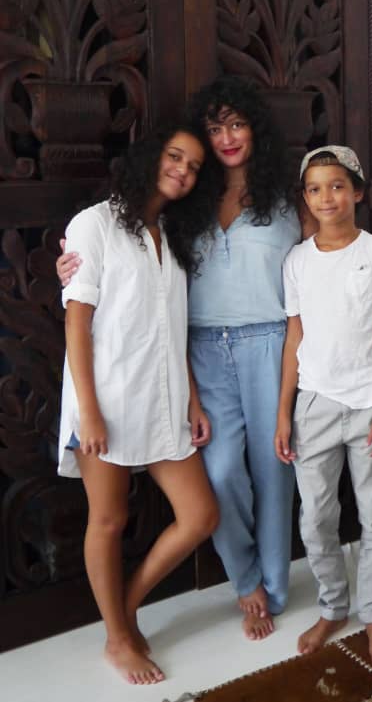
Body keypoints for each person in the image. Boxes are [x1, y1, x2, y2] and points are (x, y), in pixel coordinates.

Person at [57, 75, 372, 642]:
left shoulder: (284, 201)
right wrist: (69, 266)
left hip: (271, 344)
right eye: (214, 127)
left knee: (275, 472)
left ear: (255, 129)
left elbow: (329, 261)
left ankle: (273, 588)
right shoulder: (182, 206)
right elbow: (129, 260)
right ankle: (244, 579)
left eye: (237, 124)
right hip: (200, 353)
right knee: (221, 473)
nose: (226, 137)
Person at [58, 124, 220, 685]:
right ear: (152, 156)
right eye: (176, 156)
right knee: (109, 519)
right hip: (104, 399)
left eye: (195, 165)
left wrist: (193, 401)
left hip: (165, 399)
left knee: (200, 514)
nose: (184, 170)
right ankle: (117, 639)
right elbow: (77, 325)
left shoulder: (169, 234)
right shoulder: (94, 224)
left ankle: (123, 608)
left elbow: (172, 330)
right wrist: (90, 412)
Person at [274, 145, 372, 665]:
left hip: (370, 404)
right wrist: (284, 412)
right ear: (304, 198)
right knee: (315, 519)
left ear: (357, 192)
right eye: (313, 188)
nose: (325, 197)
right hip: (314, 407)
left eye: (335, 185)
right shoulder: (297, 261)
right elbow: (293, 340)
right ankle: (333, 606)